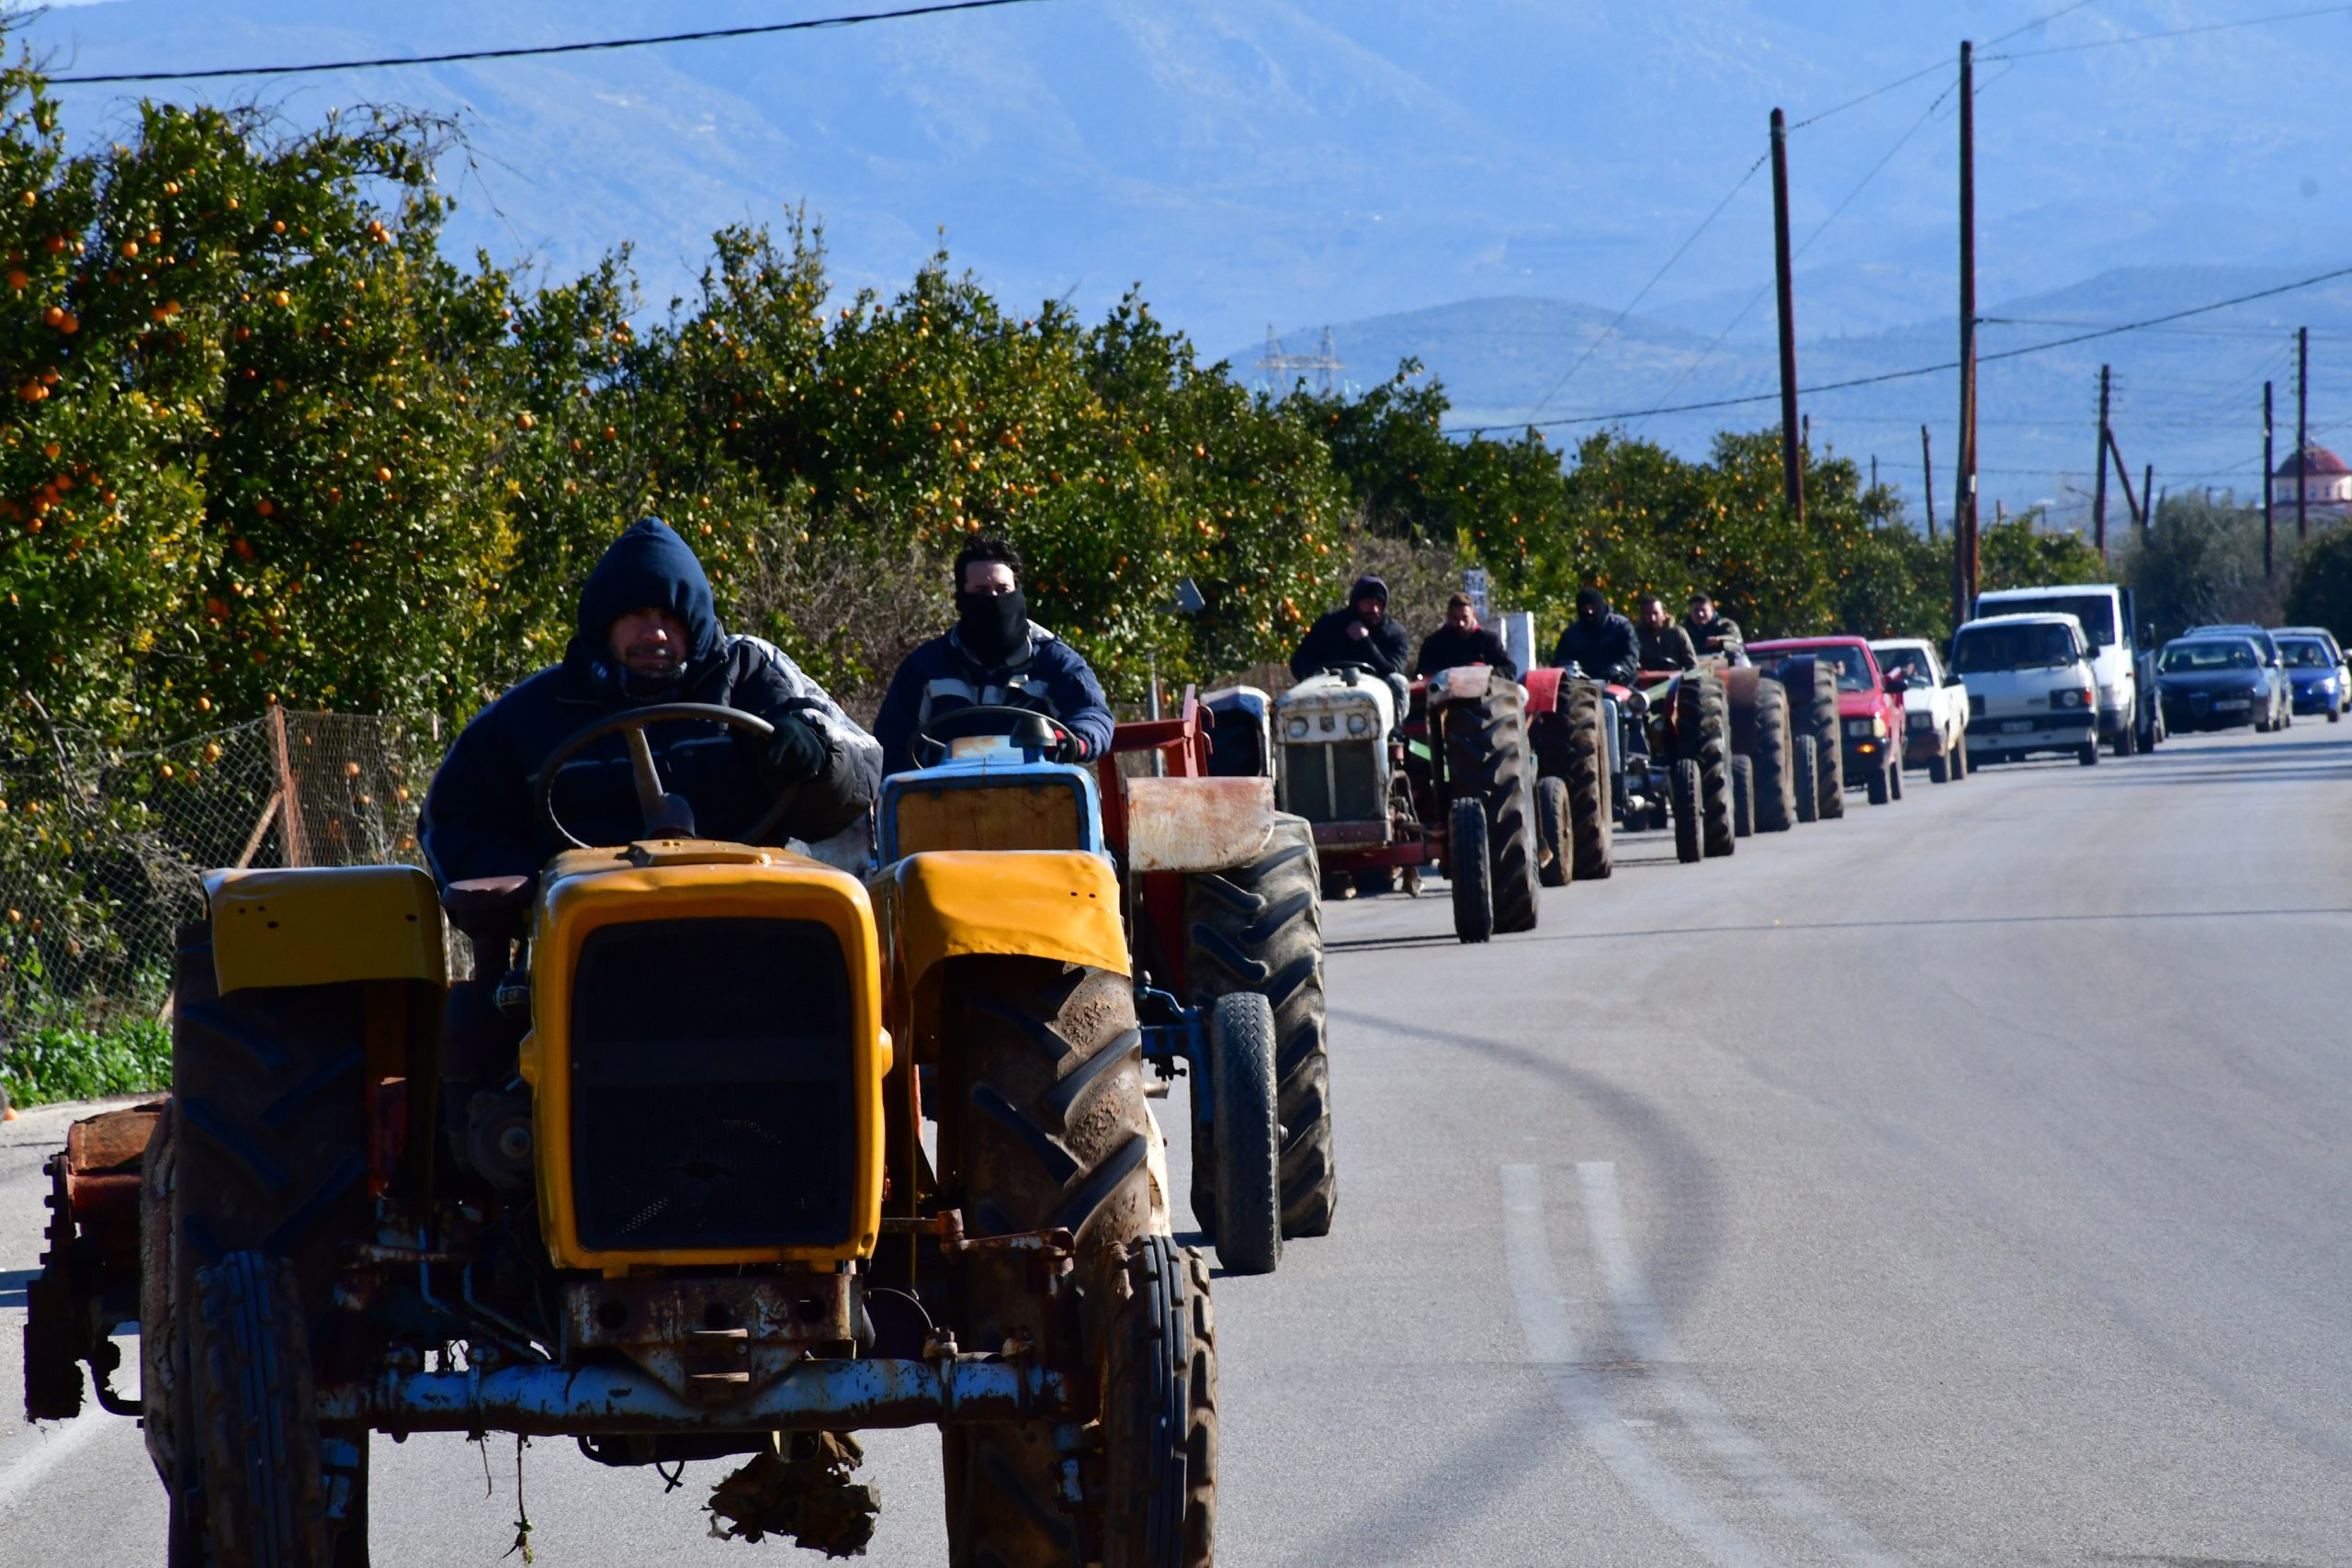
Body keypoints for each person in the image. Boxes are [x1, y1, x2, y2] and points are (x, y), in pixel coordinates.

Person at [422, 518, 882, 885]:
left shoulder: (749, 673)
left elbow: (860, 761)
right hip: (593, 931)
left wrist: (816, 755)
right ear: (605, 624)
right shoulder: (535, 711)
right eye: (637, 616)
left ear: (696, 625)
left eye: (671, 617)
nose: (655, 633)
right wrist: (530, 883)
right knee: (477, 1006)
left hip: (747, 913)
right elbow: (452, 816)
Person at [872, 536, 1115, 777]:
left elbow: (1091, 713)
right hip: (944, 802)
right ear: (960, 599)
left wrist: (1073, 740)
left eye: (1003, 590)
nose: (994, 601)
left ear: (1018, 592)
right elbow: (893, 740)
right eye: (981, 592)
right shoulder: (926, 666)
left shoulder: (1054, 661)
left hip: (1038, 800)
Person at [1416, 592, 1518, 680]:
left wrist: (1486, 673)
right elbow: (1421, 673)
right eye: (1455, 618)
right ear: (1448, 617)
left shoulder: (1488, 640)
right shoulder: (1434, 643)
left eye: (1465, 618)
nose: (1461, 623)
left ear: (1474, 616)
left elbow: (1509, 669)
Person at [1550, 587, 1639, 685]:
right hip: (1582, 685)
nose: (1590, 612)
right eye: (1585, 609)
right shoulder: (1571, 635)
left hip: (1618, 682)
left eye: (1592, 608)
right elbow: (1561, 662)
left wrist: (1619, 669)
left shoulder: (1621, 627)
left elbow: (1631, 655)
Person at [1635, 594, 1699, 672]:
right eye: (1648, 614)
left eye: (1656, 613)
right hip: (1647, 681)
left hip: (1675, 681)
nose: (1653, 618)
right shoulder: (1636, 637)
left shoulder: (1677, 633)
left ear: (1663, 613)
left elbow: (1692, 665)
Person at [1682, 592, 1744, 662]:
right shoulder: (1684, 630)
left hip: (1723, 666)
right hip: (1693, 668)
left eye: (1703, 610)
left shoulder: (1726, 625)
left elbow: (1738, 645)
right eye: (1696, 611)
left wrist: (1720, 642)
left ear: (1712, 610)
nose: (1700, 614)